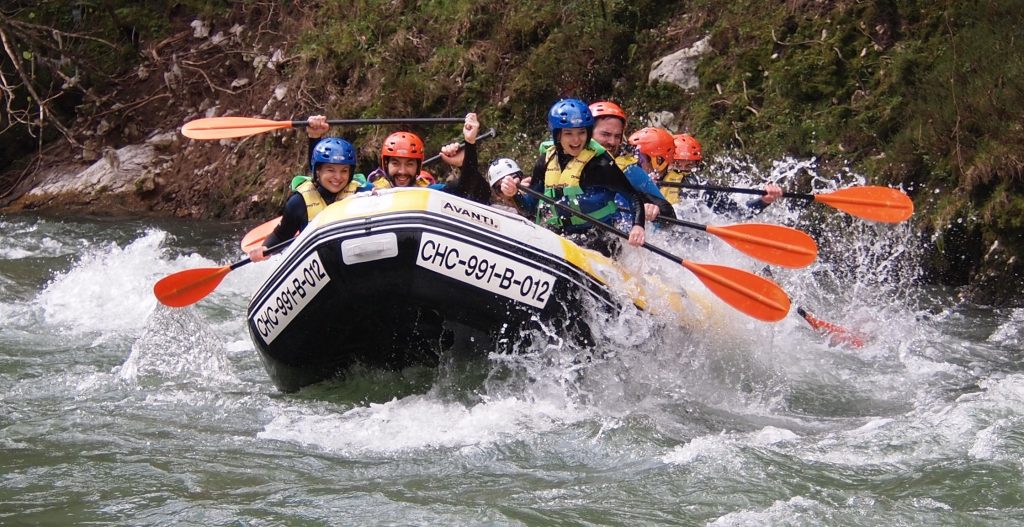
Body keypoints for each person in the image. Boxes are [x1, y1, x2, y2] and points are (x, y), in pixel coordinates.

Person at [518, 98, 647, 255]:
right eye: (569, 133)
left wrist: (638, 225)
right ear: (558, 135)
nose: (576, 140)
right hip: (561, 236)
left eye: (581, 132)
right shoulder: (545, 162)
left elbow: (633, 197)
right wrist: (513, 194)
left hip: (600, 240)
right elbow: (529, 207)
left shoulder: (600, 165)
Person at [249, 115, 369, 262]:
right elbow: (281, 235)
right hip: (321, 263)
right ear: (318, 171)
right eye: (330, 170)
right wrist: (265, 249)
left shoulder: (362, 192)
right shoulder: (298, 202)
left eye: (344, 171)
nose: (338, 177)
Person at [664, 133, 782, 216]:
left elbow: (737, 213)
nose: (682, 171)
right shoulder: (656, 181)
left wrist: (764, 201)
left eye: (689, 166)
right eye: (677, 165)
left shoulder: (703, 189)